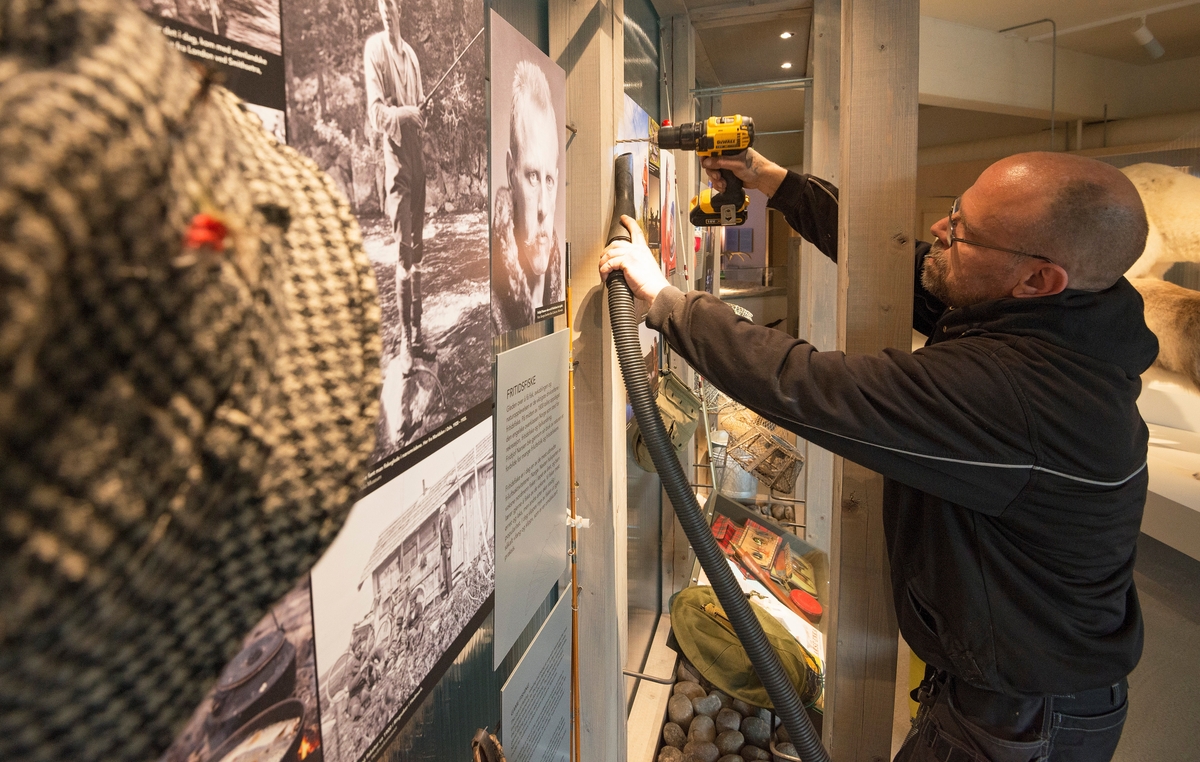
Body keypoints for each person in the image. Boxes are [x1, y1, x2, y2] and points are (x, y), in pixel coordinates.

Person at [601, 148, 1157, 762]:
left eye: (962, 230)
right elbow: (902, 264)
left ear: (1038, 278)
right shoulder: (1066, 319)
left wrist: (665, 300)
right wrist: (779, 185)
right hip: (1018, 699)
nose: (941, 231)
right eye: (953, 212)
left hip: (1020, 722)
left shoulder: (1022, 396)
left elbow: (810, 386)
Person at [365, 0, 435, 367]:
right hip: (394, 159)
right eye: (382, 4)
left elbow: (420, 106)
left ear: (400, 8)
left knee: (419, 249)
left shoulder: (411, 56)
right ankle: (406, 345)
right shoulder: (374, 50)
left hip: (416, 155)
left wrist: (424, 109)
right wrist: (406, 112)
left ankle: (420, 335)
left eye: (393, 3)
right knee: (403, 251)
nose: (387, 9)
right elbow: (376, 114)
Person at [491, 60, 564, 333]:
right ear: (512, 173)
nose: (544, 208)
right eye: (532, 176)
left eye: (549, 180)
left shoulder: (556, 289)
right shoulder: (489, 307)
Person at [439, 507, 454, 597]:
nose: (442, 514)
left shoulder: (448, 517)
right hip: (443, 548)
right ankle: (447, 591)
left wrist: (450, 547)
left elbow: (450, 532)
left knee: (448, 569)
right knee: (444, 570)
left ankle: (451, 590)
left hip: (447, 546)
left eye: (442, 512)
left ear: (445, 511)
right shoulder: (441, 521)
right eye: (441, 513)